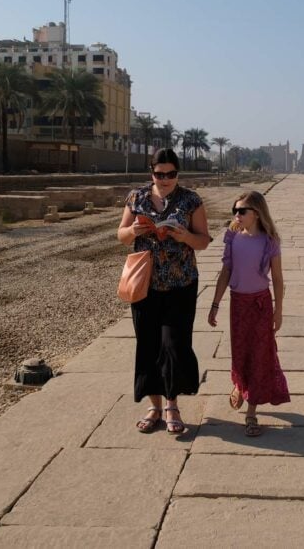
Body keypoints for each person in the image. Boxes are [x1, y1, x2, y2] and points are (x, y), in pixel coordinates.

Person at [117, 148, 210, 434]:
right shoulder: (137, 197)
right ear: (152, 173)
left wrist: (185, 236)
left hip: (180, 283)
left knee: (173, 344)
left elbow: (204, 240)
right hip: (145, 283)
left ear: (177, 174)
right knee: (148, 345)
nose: (166, 179)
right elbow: (120, 236)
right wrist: (134, 230)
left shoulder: (191, 199)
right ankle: (155, 406)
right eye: (160, 174)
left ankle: (172, 405)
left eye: (171, 174)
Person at [207, 190, 289, 437]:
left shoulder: (269, 241)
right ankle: (240, 385)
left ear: (257, 213)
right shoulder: (233, 237)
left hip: (261, 305)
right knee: (240, 352)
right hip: (238, 303)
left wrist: (279, 311)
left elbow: (277, 278)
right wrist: (214, 304)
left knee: (260, 355)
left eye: (242, 211)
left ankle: (251, 412)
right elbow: (225, 272)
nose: (237, 215)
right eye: (235, 210)